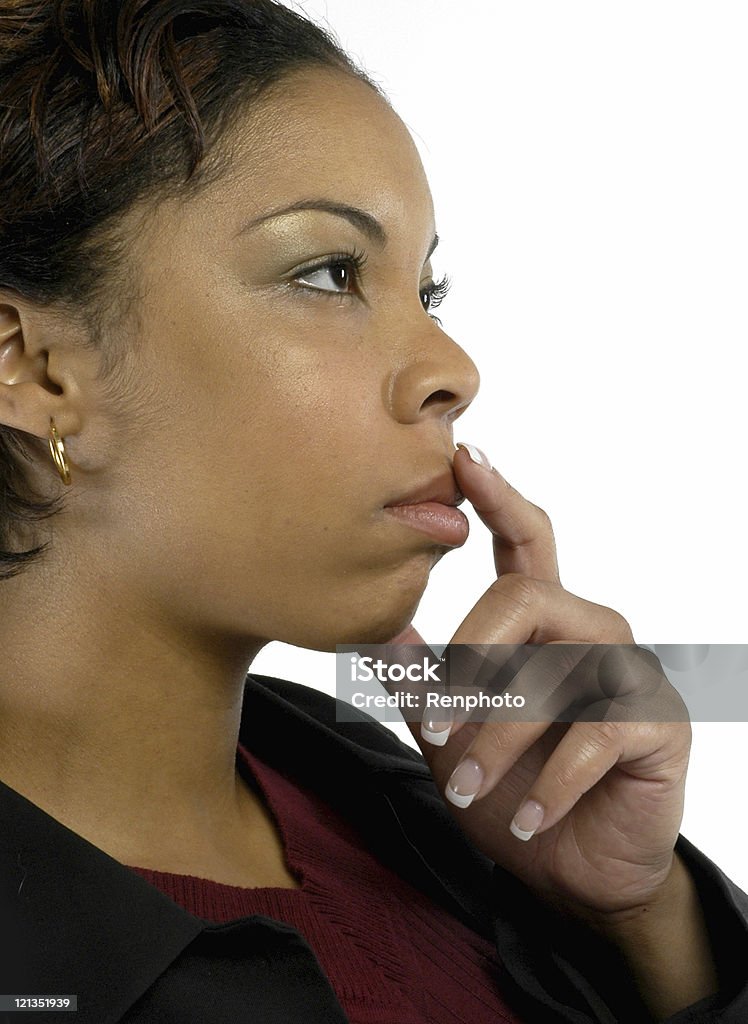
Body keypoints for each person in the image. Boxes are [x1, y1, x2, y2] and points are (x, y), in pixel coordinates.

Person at [0, 2, 746, 1022]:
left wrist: (642, 918)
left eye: (425, 291)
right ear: (32, 368)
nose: (454, 370)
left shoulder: (405, 798)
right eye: (327, 273)